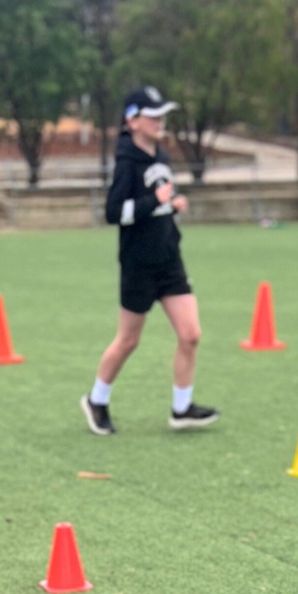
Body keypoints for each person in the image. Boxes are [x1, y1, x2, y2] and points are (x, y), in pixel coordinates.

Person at [80, 86, 219, 437]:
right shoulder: (127, 162)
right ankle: (97, 400)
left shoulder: (161, 156)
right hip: (138, 264)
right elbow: (114, 213)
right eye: (153, 115)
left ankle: (181, 407)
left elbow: (159, 201)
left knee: (191, 334)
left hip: (169, 258)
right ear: (133, 120)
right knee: (128, 340)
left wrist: (172, 205)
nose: (160, 122)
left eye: (162, 115)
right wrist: (151, 202)